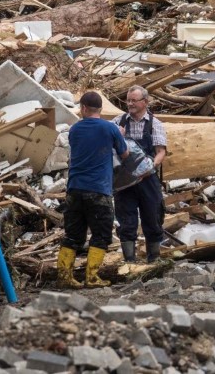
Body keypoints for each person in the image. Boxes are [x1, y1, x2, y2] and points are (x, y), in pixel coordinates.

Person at [57, 91, 128, 289]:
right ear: (100, 109)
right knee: (101, 234)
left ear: (84, 108)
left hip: (75, 188)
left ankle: (64, 276)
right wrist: (119, 136)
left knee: (73, 235)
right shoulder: (110, 128)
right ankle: (92, 276)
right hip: (99, 190)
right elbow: (125, 154)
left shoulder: (74, 129)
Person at [113, 86, 167, 263]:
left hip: (148, 179)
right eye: (128, 100)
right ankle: (129, 261)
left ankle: (154, 259)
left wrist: (150, 167)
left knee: (152, 217)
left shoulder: (155, 124)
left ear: (145, 102)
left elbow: (161, 152)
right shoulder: (118, 122)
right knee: (126, 219)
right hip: (124, 181)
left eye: (134, 100)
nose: (130, 104)